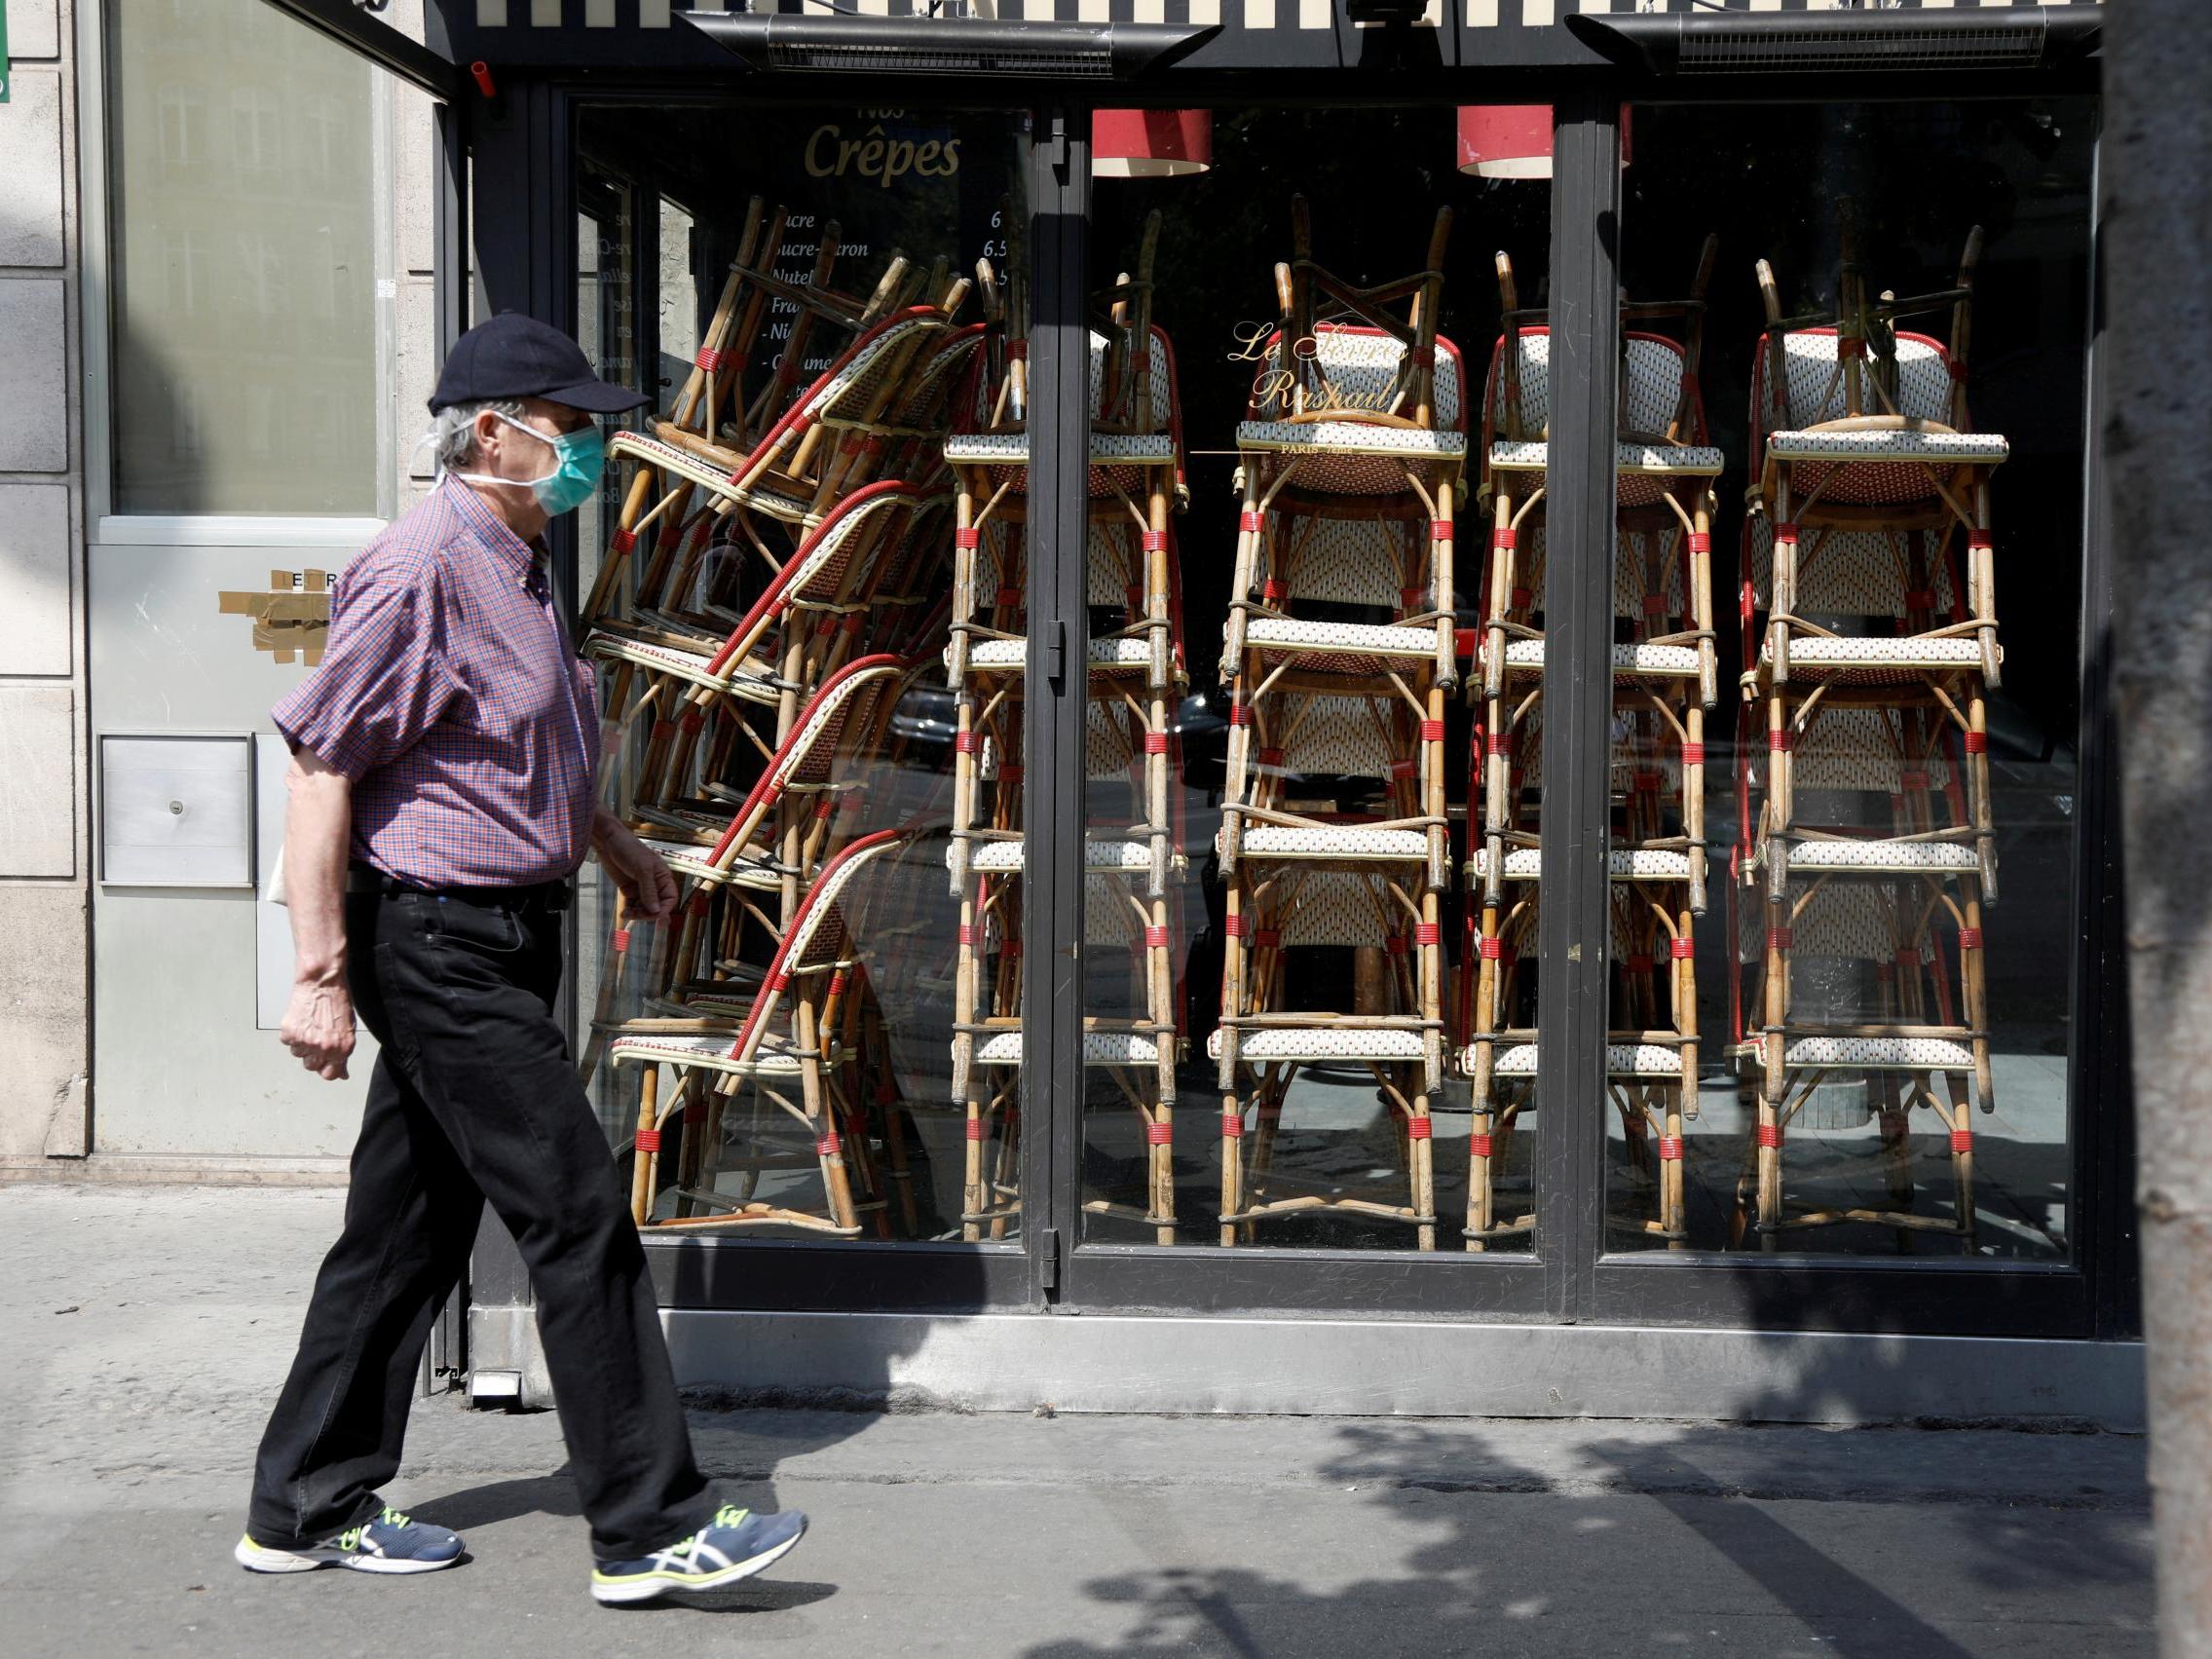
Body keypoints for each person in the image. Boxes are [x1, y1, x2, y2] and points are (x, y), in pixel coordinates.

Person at [234, 313, 806, 1604]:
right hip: (438, 944)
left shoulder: (520, 557)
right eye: (571, 424)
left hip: (501, 928)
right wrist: (319, 972)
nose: (590, 447)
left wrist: (608, 843)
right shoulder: (422, 564)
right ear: (493, 432)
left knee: (403, 1236)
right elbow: (326, 769)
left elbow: (508, 746)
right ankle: (651, 1528)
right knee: (579, 1211)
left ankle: (304, 1501)